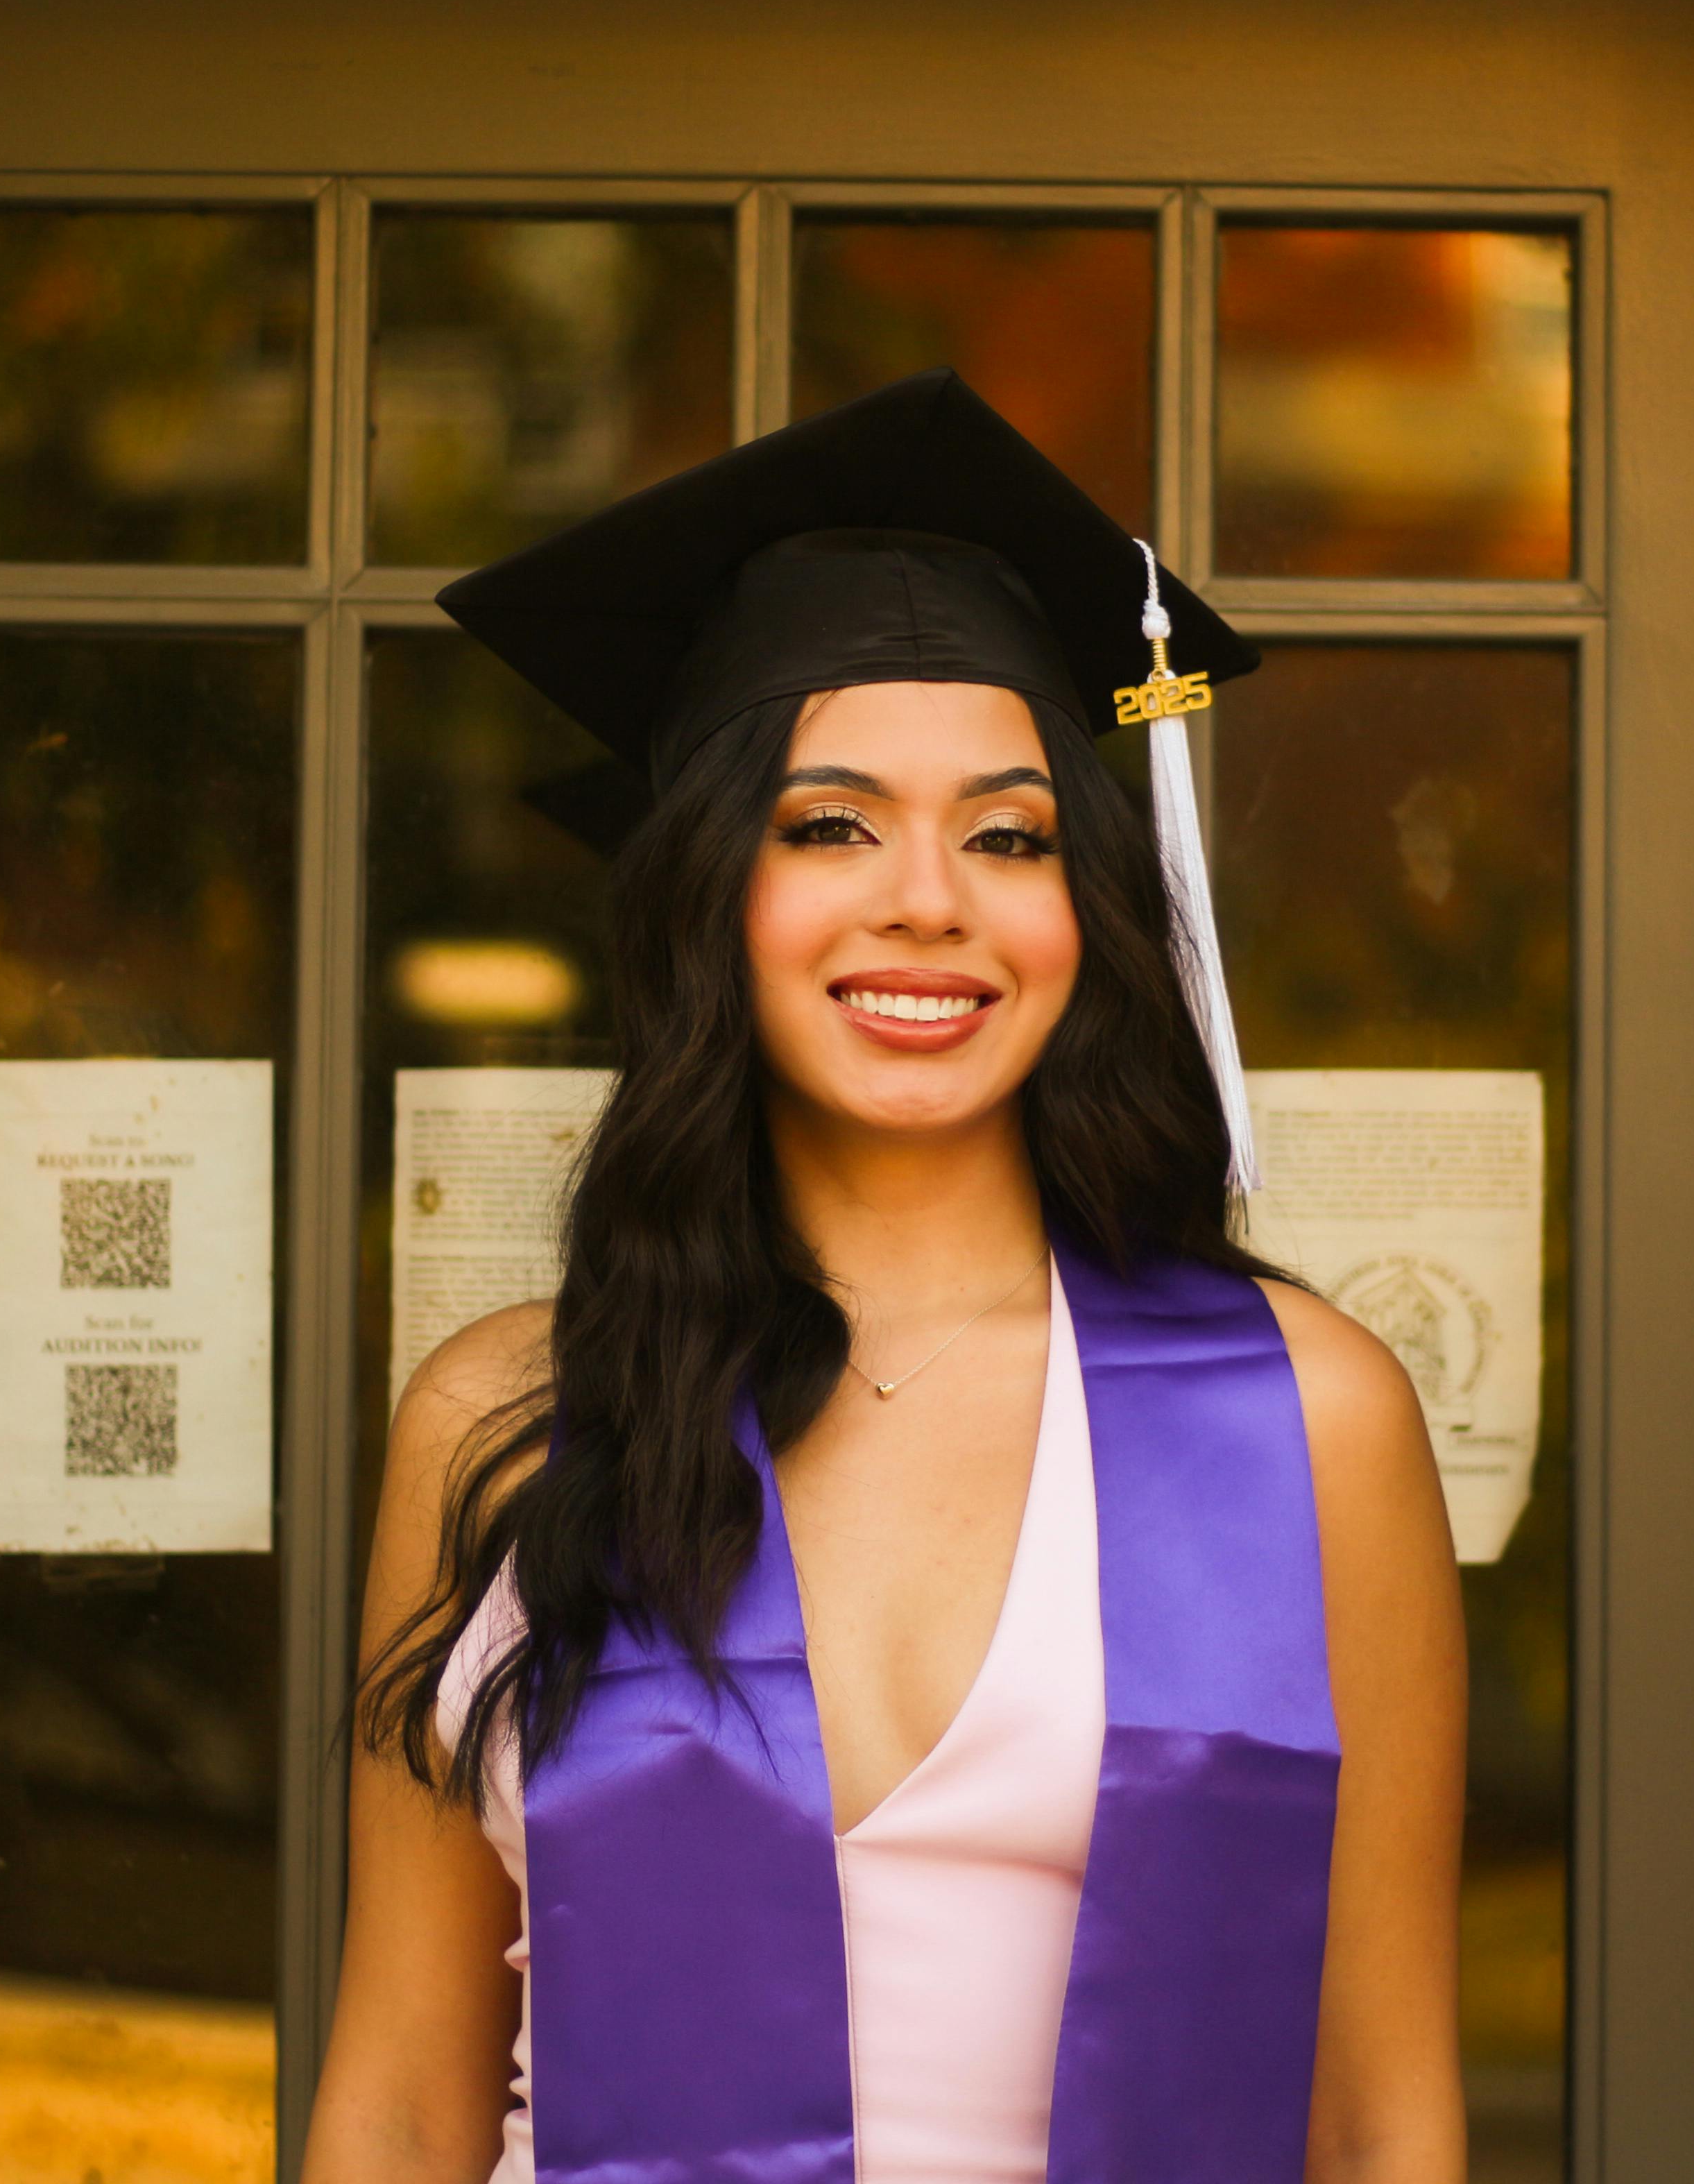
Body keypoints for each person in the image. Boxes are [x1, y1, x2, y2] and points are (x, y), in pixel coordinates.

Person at [307, 372, 1466, 2184]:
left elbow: (1385, 2117)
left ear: (1084, 900)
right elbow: (395, 2103)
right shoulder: (511, 1426)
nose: (928, 898)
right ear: (709, 893)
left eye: (1007, 834)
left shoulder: (1303, 1420)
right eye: (829, 823)